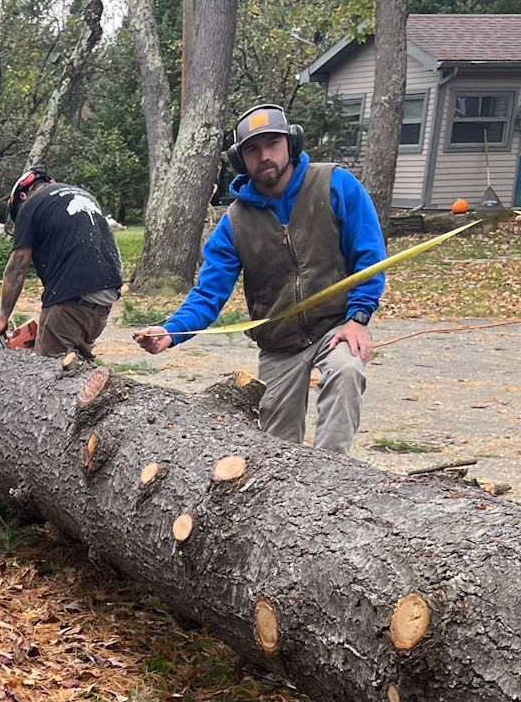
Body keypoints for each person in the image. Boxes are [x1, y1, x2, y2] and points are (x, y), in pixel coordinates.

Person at [132, 105, 386, 454]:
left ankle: (332, 474)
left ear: (291, 143)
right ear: (240, 159)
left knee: (346, 371)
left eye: (273, 143)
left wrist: (359, 318)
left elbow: (369, 258)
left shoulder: (336, 184)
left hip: (336, 326)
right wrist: (171, 332)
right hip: (279, 343)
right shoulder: (233, 224)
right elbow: (209, 293)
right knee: (276, 450)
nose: (265, 155)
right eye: (253, 149)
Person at [0, 169, 124, 360]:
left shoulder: (31, 204)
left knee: (47, 369)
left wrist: (3, 318)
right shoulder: (85, 196)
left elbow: (16, 269)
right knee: (78, 368)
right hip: (106, 295)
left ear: (22, 195)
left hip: (70, 295)